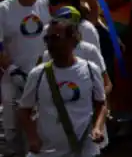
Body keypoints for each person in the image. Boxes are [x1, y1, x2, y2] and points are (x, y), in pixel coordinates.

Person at [18, 16, 107, 157]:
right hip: (48, 152)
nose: (50, 44)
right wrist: (32, 138)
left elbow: (101, 104)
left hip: (84, 151)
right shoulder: (37, 74)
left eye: (56, 38)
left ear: (73, 39)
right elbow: (24, 110)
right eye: (47, 39)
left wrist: (97, 128)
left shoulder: (91, 69)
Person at [0, 0, 51, 153]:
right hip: (14, 78)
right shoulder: (3, 9)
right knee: (12, 127)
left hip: (45, 77)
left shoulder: (48, 3)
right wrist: (12, 70)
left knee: (42, 127)